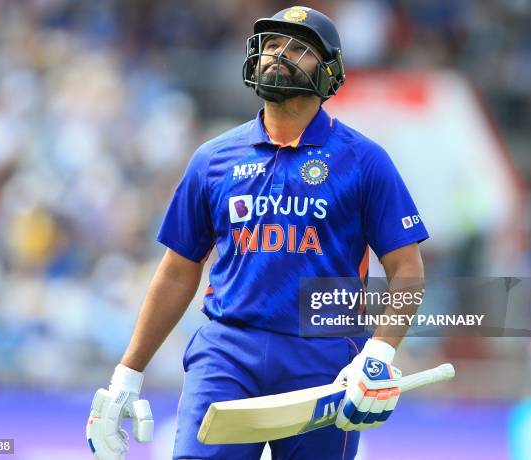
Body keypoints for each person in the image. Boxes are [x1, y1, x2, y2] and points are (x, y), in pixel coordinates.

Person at [87, 6, 429, 460]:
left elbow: (406, 267)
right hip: (227, 354)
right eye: (269, 45)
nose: (277, 56)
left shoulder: (366, 161)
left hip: (324, 359)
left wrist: (380, 355)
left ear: (330, 73)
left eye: (297, 48)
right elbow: (176, 272)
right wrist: (126, 376)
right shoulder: (212, 159)